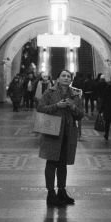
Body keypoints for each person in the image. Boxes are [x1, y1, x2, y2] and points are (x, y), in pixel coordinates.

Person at [37, 70, 84, 207]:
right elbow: (40, 108)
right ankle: (51, 193)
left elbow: (80, 115)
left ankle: (62, 191)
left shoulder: (75, 94)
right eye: (63, 75)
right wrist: (57, 106)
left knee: (63, 164)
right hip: (52, 132)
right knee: (51, 163)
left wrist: (73, 106)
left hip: (67, 133)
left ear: (71, 80)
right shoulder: (49, 92)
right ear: (58, 78)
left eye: (68, 76)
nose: (65, 78)